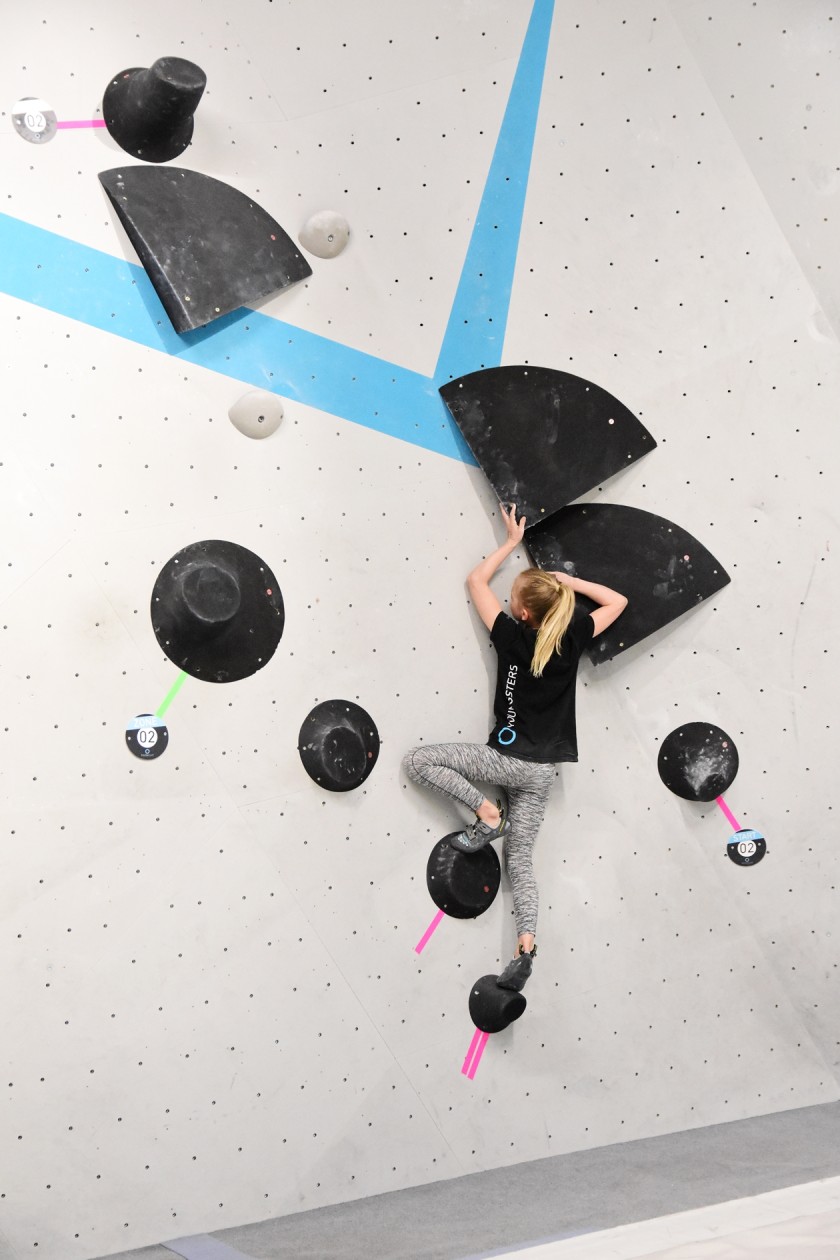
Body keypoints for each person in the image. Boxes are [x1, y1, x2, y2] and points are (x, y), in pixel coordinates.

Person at [403, 504, 628, 992]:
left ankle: (486, 814)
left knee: (419, 762)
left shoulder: (509, 635)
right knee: (520, 861)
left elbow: (474, 582)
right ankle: (526, 947)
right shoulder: (572, 635)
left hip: (504, 761)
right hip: (542, 772)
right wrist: (570, 585)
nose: (506, 606)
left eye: (513, 602)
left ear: (523, 614)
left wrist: (509, 544)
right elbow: (617, 602)